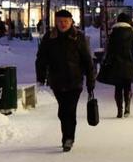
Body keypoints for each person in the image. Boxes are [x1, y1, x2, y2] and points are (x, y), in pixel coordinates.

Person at [35, 9, 96, 152]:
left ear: (71, 22)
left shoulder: (78, 37)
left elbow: (87, 60)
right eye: (60, 21)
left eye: (65, 21)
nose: (62, 24)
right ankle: (67, 135)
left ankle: (68, 138)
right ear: (55, 22)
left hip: (75, 80)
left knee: (70, 109)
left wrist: (90, 81)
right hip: (57, 79)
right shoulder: (49, 37)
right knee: (62, 111)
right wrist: (41, 76)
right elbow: (41, 58)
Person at [102, 12, 133, 118]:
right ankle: (127, 108)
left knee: (118, 87)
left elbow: (109, 48)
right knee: (127, 86)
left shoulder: (113, 32)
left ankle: (119, 110)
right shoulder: (131, 32)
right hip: (128, 62)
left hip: (116, 63)